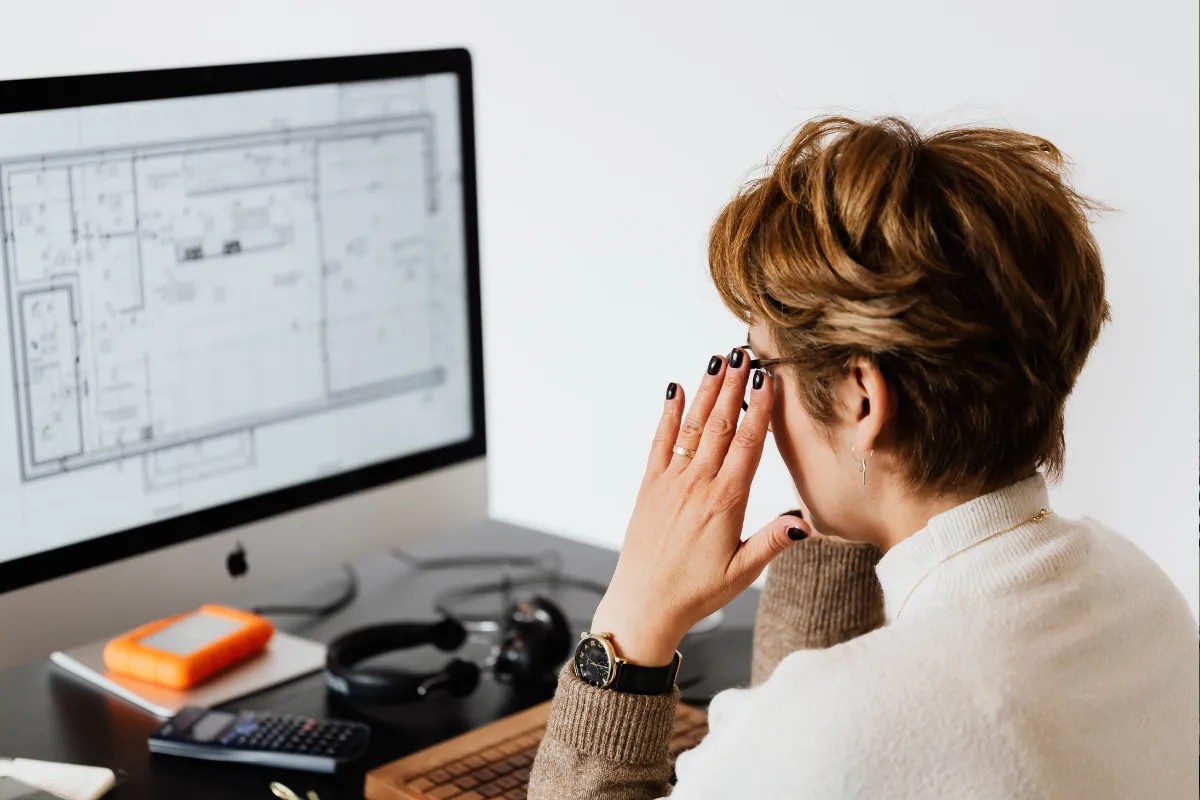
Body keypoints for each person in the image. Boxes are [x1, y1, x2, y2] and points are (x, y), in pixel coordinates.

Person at [527, 116, 1198, 799]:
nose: (755, 406)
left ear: (861, 398)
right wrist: (846, 495)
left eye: (762, 368)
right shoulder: (1143, 593)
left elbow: (826, 734)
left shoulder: (834, 722)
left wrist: (629, 625)